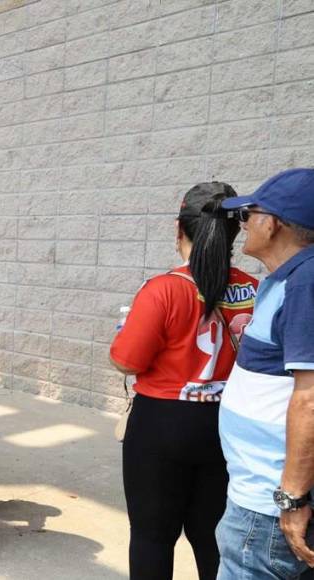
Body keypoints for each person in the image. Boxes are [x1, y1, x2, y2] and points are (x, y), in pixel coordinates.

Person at [108, 182, 257, 580]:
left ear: (179, 229)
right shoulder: (255, 290)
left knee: (153, 538)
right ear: (235, 232)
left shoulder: (163, 290)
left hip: (161, 424)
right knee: (214, 539)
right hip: (227, 424)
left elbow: (125, 360)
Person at [216, 169, 314, 579]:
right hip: (260, 498)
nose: (243, 227)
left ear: (271, 223)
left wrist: (291, 500)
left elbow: (310, 398)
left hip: (268, 509)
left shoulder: (306, 281)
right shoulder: (286, 279)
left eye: (247, 215)